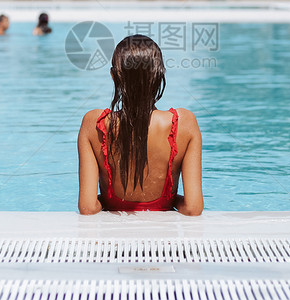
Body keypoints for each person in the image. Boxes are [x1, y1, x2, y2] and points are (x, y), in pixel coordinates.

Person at [76, 34, 204, 215]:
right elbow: (193, 208)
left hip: (113, 240)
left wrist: (105, 199)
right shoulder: (185, 124)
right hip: (164, 242)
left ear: (114, 76)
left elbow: (88, 208)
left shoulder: (94, 124)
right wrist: (172, 198)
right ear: (160, 74)